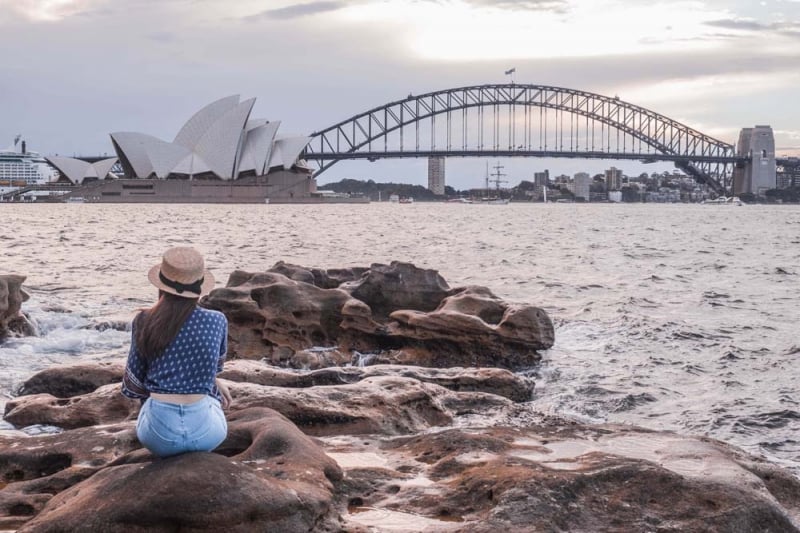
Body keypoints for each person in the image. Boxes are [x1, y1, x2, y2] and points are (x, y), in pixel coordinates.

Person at [121, 246, 231, 458]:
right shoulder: (217, 320)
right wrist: (213, 381)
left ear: (161, 286)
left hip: (158, 437)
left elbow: (132, 386)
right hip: (207, 436)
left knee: (151, 405)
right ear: (199, 287)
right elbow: (214, 368)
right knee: (213, 401)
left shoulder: (144, 320)